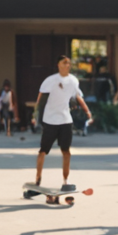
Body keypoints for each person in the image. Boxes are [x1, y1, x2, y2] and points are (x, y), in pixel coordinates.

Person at [31, 56, 92, 191]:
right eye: (64, 63)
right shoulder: (50, 81)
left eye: (69, 63)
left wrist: (87, 111)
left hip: (65, 120)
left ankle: (66, 180)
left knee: (66, 152)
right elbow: (40, 99)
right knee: (43, 151)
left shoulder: (73, 81)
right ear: (58, 65)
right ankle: (38, 178)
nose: (67, 65)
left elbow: (77, 97)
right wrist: (35, 115)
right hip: (50, 120)